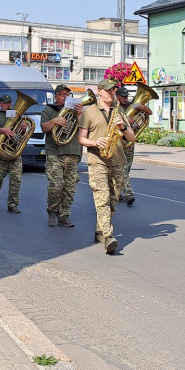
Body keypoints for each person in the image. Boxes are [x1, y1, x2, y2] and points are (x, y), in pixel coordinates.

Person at [77, 79, 136, 254]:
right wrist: (95, 142)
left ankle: (100, 231)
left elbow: (131, 138)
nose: (111, 93)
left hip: (117, 160)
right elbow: (81, 139)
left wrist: (123, 126)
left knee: (113, 200)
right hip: (97, 161)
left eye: (113, 91)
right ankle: (109, 236)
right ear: (99, 91)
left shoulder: (119, 112)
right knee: (101, 198)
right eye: (108, 90)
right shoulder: (90, 112)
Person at [40, 84, 82, 227]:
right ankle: (52, 211)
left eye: (67, 94)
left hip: (73, 152)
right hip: (55, 152)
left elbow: (84, 128)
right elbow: (44, 128)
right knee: (56, 185)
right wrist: (54, 121)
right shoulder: (49, 110)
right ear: (56, 96)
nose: (65, 97)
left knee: (70, 187)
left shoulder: (75, 111)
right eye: (63, 94)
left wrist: (80, 114)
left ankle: (64, 215)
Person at [114, 85, 151, 207]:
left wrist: (143, 107)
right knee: (122, 170)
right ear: (117, 96)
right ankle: (129, 193)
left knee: (126, 170)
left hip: (129, 142)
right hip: (118, 141)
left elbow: (148, 114)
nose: (126, 98)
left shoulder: (131, 105)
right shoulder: (114, 107)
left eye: (126, 96)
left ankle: (116, 193)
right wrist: (125, 122)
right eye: (123, 97)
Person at [0, 94, 23, 212]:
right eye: (6, 103)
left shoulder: (14, 114)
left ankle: (12, 204)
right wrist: (3, 130)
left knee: (16, 178)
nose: (9, 105)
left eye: (10, 103)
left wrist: (24, 127)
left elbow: (20, 132)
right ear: (0, 104)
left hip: (14, 151)